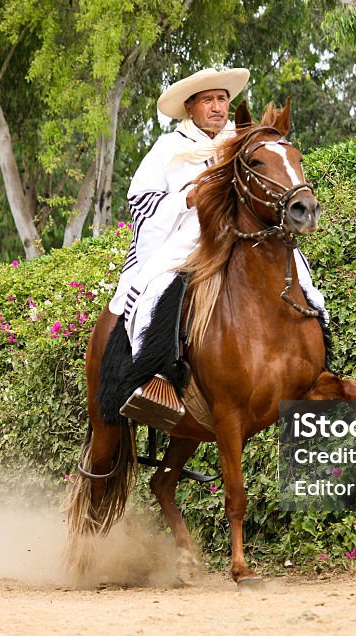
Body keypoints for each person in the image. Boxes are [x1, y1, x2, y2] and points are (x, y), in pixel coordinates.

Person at [109, 67, 327, 400]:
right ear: (190, 108)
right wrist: (187, 197)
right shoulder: (167, 148)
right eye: (207, 100)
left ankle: (319, 353)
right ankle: (157, 377)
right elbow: (141, 201)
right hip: (187, 235)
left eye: (222, 99)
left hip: (241, 230)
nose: (217, 107)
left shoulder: (243, 140)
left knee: (300, 273)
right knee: (158, 287)